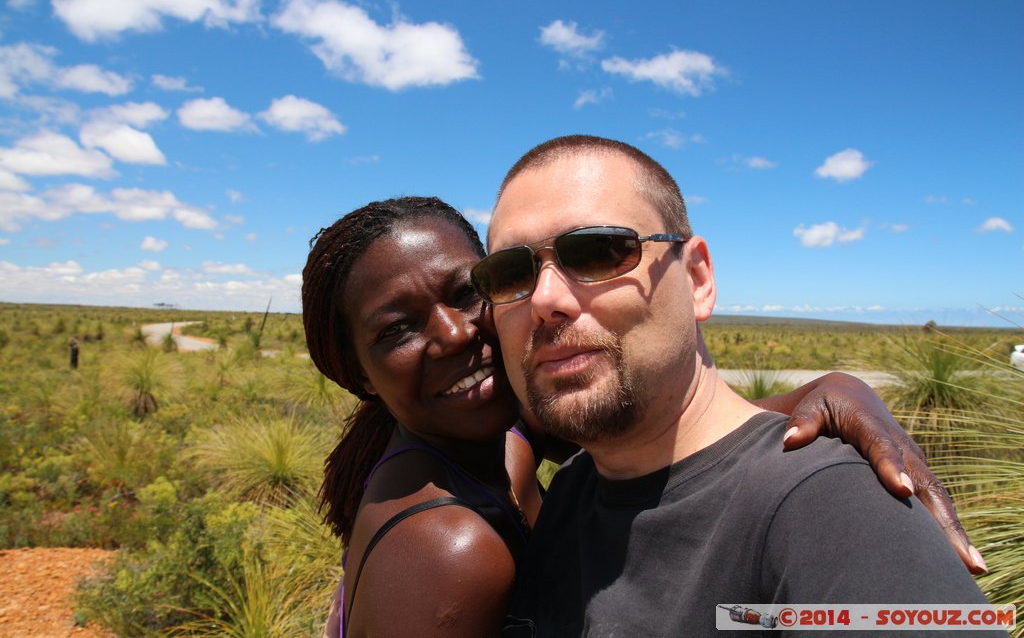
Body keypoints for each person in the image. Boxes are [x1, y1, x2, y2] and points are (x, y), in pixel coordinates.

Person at [303, 195, 982, 637]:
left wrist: (835, 388)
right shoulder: (448, 548)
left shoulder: (503, 436)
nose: (453, 334)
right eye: (397, 329)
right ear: (358, 373)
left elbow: (660, 423)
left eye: (468, 291)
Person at [474, 135, 995, 636]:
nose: (544, 298)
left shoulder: (832, 514)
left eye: (597, 252)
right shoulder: (572, 488)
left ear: (698, 279)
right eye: (509, 273)